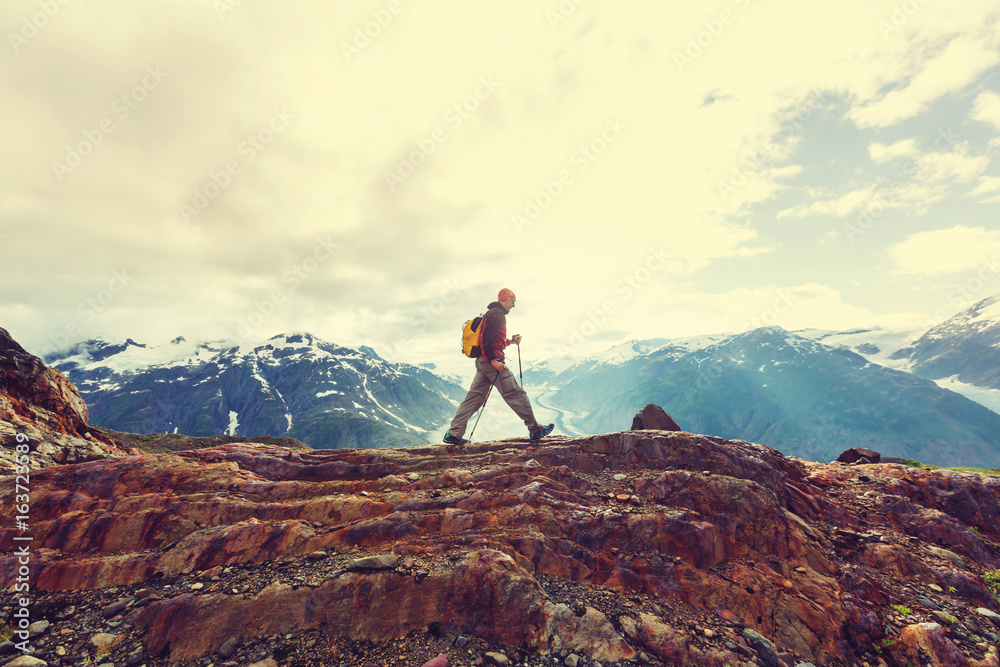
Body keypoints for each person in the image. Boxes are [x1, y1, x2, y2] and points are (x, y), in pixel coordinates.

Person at [444, 288, 554, 445]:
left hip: (483, 362)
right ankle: (535, 430)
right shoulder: (497, 314)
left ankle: (453, 434)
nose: (514, 306)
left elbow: (495, 340)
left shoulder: (492, 313)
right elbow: (486, 339)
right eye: (513, 301)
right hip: (492, 363)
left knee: (474, 398)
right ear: (505, 299)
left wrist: (511, 341)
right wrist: (493, 360)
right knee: (516, 394)